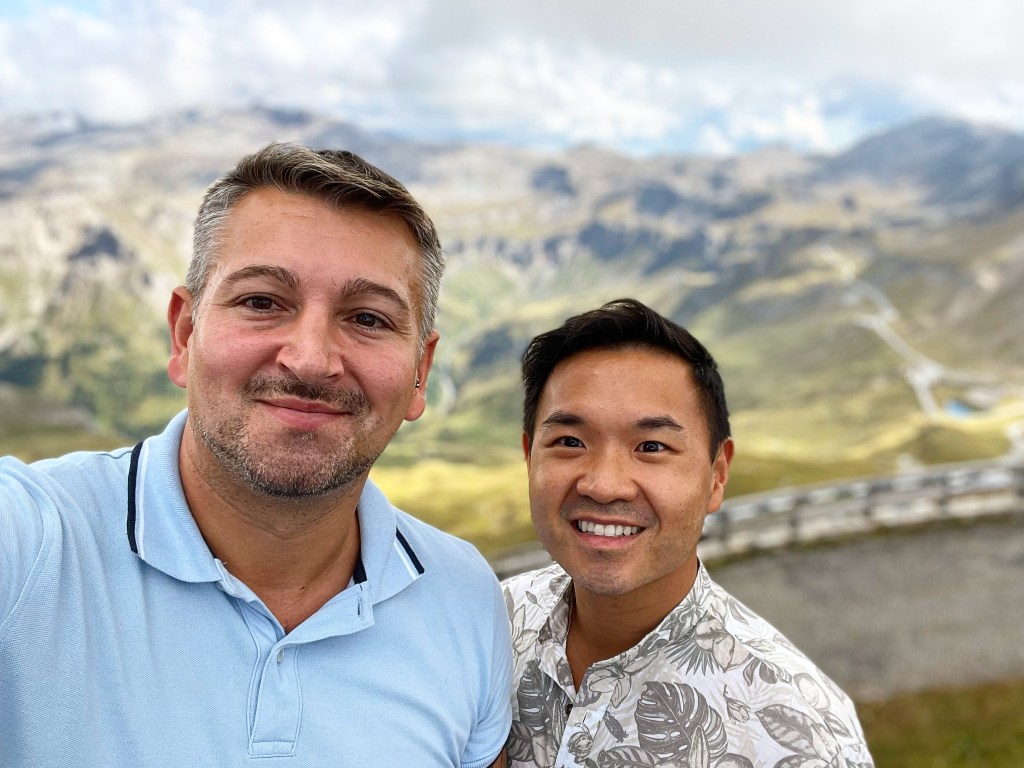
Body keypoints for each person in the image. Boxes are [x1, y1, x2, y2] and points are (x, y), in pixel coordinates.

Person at [0, 143, 511, 767]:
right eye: (262, 302)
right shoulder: (30, 543)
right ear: (185, 334)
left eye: (368, 318)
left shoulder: (464, 597)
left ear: (419, 373)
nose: (311, 359)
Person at [503, 299, 873, 768]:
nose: (604, 484)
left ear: (716, 476)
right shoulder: (489, 623)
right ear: (529, 457)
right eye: (570, 442)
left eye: (651, 446)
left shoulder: (802, 739)